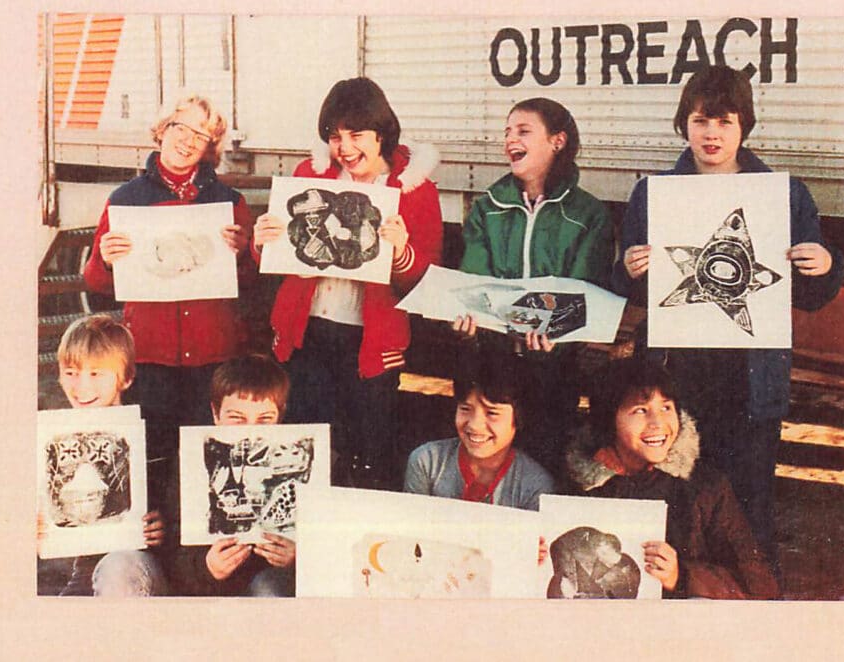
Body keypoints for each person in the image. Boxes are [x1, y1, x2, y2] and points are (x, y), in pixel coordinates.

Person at [611, 65, 844, 567]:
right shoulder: (653, 193)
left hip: (749, 378)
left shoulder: (785, 196)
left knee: (747, 502)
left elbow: (810, 295)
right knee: (672, 492)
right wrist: (629, 268)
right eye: (700, 121)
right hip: (676, 374)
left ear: (745, 127)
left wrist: (825, 265)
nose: (711, 133)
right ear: (684, 125)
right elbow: (625, 286)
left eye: (725, 121)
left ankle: (746, 602)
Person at [253, 77, 442, 489]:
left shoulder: (413, 189)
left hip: (371, 343)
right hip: (308, 335)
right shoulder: (311, 175)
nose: (345, 148)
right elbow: (276, 257)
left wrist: (401, 252)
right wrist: (263, 240)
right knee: (305, 444)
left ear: (382, 133)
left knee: (369, 449)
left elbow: (428, 276)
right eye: (335, 137)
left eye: (356, 135)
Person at [82, 94, 256, 516]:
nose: (188, 140)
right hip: (150, 357)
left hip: (213, 358)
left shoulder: (229, 201)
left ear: (210, 147)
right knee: (153, 460)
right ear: (162, 130)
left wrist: (244, 252)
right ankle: (155, 548)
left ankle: (201, 553)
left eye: (201, 134)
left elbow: (252, 283)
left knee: (210, 463)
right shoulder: (125, 198)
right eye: (181, 128)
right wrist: (106, 256)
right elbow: (95, 282)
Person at [454, 97, 614, 479]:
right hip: (492, 361)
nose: (511, 140)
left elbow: (584, 290)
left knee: (544, 461)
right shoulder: (487, 207)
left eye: (523, 131)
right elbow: (474, 279)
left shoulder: (588, 214)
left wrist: (557, 334)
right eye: (507, 132)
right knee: (487, 463)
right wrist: (468, 326)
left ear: (557, 141)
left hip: (554, 368)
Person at [566, 356, 779, 599]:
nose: (658, 423)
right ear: (608, 420)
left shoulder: (705, 487)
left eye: (666, 408)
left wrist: (682, 577)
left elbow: (761, 585)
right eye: (640, 410)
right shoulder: (580, 484)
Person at [41, 314, 168, 596]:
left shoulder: (155, 433)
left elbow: (186, 512)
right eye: (71, 373)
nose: (82, 387)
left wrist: (165, 525)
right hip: (86, 570)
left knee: (118, 569)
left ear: (126, 378)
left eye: (96, 374)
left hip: (141, 567)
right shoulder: (53, 439)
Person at [169, 354, 297, 597]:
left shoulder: (300, 459)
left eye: (264, 419)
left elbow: (331, 543)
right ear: (215, 415)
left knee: (269, 588)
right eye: (237, 419)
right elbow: (173, 553)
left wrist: (298, 557)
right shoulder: (191, 462)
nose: (250, 430)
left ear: (280, 417)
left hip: (273, 586)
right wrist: (206, 567)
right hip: (213, 595)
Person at [404, 351, 554, 511]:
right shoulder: (428, 462)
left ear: (519, 418)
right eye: (465, 409)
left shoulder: (535, 485)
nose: (475, 425)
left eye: (492, 413)